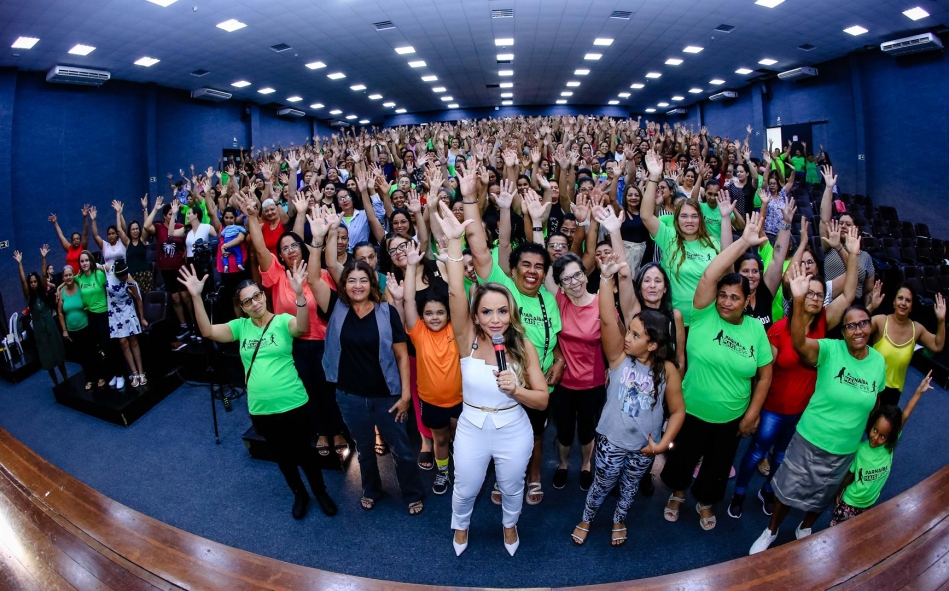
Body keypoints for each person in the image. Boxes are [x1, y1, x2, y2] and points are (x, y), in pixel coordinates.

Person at [177, 263, 338, 520]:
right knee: (283, 457)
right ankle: (300, 494)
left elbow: (302, 327)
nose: (254, 303)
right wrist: (196, 296)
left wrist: (299, 295)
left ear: (264, 295)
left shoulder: (283, 321)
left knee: (305, 453)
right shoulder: (241, 327)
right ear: (241, 307)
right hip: (262, 409)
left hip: (294, 402)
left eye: (257, 296)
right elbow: (207, 331)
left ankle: (320, 492)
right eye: (247, 301)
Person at [433, 201, 549, 557]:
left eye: (502, 310)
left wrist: (519, 390)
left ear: (510, 312)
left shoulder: (522, 344)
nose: (495, 318)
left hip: (514, 427)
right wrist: (455, 243)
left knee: (512, 486)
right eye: (487, 311)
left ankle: (510, 524)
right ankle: (461, 526)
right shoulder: (466, 338)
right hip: (470, 426)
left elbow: (542, 400)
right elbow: (455, 291)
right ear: (476, 315)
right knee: (465, 486)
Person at [750, 264, 885, 554]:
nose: (858, 329)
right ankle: (771, 531)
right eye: (851, 325)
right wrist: (798, 300)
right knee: (787, 490)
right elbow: (798, 342)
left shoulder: (878, 362)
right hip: (811, 437)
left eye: (863, 323)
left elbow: (876, 401)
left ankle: (805, 527)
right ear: (844, 331)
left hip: (845, 446)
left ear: (870, 326)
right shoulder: (829, 349)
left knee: (822, 494)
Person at [728, 228, 862, 519]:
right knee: (755, 453)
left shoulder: (826, 322)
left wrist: (852, 255)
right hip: (774, 409)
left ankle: (768, 492)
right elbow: (763, 372)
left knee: (780, 457)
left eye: (819, 294)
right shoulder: (778, 329)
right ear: (799, 294)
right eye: (809, 293)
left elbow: (849, 293)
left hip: (802, 411)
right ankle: (739, 493)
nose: (814, 298)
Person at [661, 213, 773, 531]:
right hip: (692, 410)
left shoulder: (755, 330)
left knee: (717, 467)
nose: (726, 301)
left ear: (747, 300)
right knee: (682, 459)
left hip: (730, 418)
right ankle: (679, 493)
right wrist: (743, 243)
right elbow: (711, 275)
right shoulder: (703, 315)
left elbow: (764, 375)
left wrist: (752, 413)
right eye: (723, 295)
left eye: (734, 297)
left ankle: (706, 502)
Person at [460, 162, 562, 507]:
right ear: (513, 270)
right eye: (526, 266)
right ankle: (505, 479)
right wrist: (470, 198)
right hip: (501, 380)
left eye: (539, 267)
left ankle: (531, 476)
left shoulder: (550, 297)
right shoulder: (505, 290)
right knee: (496, 433)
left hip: (538, 383)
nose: (533, 272)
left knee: (535, 434)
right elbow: (478, 247)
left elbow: (558, 339)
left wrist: (559, 361)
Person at [571, 255, 685, 547]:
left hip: (643, 448)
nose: (627, 337)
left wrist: (661, 445)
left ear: (652, 344)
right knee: (602, 484)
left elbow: (679, 411)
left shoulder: (668, 370)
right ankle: (587, 517)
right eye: (629, 331)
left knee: (631, 486)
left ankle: (619, 519)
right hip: (611, 441)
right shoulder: (619, 359)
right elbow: (608, 318)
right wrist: (606, 279)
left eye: (634, 335)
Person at [309, 244, 424, 515]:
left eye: (363, 280)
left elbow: (401, 356)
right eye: (351, 281)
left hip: (387, 396)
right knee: (364, 450)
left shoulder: (387, 312)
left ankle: (412, 493)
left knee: (402, 451)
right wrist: (317, 240)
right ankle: (371, 489)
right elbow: (314, 279)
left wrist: (406, 396)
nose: (357, 285)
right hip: (349, 396)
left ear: (371, 282)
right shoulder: (336, 308)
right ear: (344, 285)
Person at [240, 195, 348, 458]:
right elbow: (260, 248)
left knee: (329, 388)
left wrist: (330, 231)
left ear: (303, 248)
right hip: (294, 342)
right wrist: (253, 216)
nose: (290, 250)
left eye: (294, 246)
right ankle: (321, 431)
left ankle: (337, 429)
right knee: (308, 388)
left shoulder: (320, 274)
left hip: (324, 341)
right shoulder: (277, 274)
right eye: (284, 248)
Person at [385, 241, 463, 495]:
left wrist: (449, 262)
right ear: (422, 316)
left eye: (440, 312)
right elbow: (408, 300)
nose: (435, 317)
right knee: (439, 440)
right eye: (429, 313)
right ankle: (443, 472)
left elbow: (457, 294)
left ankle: (462, 471)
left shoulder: (457, 329)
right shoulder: (417, 332)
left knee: (460, 441)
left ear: (448, 315)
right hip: (431, 401)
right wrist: (410, 266)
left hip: (461, 400)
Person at [830, 372, 933, 526]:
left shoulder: (888, 447)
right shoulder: (860, 449)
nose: (876, 438)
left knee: (857, 532)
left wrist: (919, 392)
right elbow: (848, 476)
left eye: (883, 436)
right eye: (875, 431)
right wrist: (837, 492)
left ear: (890, 438)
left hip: (869, 502)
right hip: (850, 502)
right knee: (839, 531)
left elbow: (904, 416)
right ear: (871, 426)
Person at [640, 149, 727, 328]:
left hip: (707, 321)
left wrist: (725, 218)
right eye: (684, 216)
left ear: (701, 219)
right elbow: (646, 216)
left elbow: (727, 263)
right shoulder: (668, 237)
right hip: (674, 321)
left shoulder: (712, 242)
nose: (689, 220)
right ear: (676, 219)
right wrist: (654, 177)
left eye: (694, 216)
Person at [545, 252, 607, 492]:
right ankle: (562, 465)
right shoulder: (558, 299)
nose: (575, 282)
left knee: (587, 431)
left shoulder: (601, 303)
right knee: (564, 431)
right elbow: (547, 272)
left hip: (592, 383)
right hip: (563, 383)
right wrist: (537, 222)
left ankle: (585, 465)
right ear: (560, 284)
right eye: (567, 279)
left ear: (585, 273)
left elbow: (613, 342)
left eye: (578, 274)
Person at [870, 286, 945, 406]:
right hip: (869, 385)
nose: (903, 303)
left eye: (908, 300)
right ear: (894, 302)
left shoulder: (917, 329)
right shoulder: (880, 321)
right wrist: (871, 307)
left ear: (911, 307)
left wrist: (941, 320)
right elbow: (856, 329)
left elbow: (937, 345)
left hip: (893, 392)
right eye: (900, 298)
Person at [13, 247, 67, 385]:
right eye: (31, 282)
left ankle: (66, 379)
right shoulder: (29, 297)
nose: (33, 284)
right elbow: (23, 282)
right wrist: (20, 264)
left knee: (58, 354)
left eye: (34, 281)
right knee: (47, 358)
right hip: (40, 331)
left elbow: (44, 275)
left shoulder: (43, 292)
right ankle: (56, 383)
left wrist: (43, 258)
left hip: (50, 325)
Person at [146, 202, 193, 344]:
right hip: (166, 270)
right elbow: (146, 226)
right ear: (165, 216)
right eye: (170, 214)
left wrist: (186, 249)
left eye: (174, 214)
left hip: (180, 267)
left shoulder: (179, 228)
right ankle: (183, 325)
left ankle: (193, 322)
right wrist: (155, 209)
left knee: (185, 296)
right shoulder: (159, 228)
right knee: (175, 299)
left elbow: (188, 241)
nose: (172, 216)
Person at [104, 259, 147, 388]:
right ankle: (133, 373)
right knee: (123, 342)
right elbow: (95, 265)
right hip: (114, 313)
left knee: (133, 340)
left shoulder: (130, 280)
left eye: (125, 276)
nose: (123, 278)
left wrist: (142, 318)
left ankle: (141, 372)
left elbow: (138, 299)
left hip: (128, 309)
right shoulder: (109, 269)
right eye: (121, 276)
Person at [75, 250, 113, 388]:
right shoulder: (79, 278)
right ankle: (101, 375)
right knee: (96, 349)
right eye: (82, 261)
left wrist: (101, 266)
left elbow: (112, 273)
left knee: (107, 346)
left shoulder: (99, 275)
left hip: (103, 314)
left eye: (86, 260)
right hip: (90, 316)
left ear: (90, 261)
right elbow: (67, 280)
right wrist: (59, 288)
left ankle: (113, 374)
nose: (84, 263)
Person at [57, 265, 99, 390]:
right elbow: (60, 313)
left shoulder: (80, 286)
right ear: (63, 277)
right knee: (83, 357)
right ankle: (90, 379)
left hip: (86, 326)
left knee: (93, 353)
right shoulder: (61, 292)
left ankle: (100, 377)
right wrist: (64, 330)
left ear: (73, 275)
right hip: (72, 330)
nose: (68, 277)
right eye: (66, 275)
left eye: (70, 274)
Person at [49, 207, 89, 274]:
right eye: (74, 239)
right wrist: (55, 223)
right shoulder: (69, 248)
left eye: (77, 239)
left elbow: (85, 233)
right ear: (71, 241)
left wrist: (85, 217)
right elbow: (61, 236)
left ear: (80, 240)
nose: (76, 240)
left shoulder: (83, 248)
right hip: (70, 278)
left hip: (81, 277)